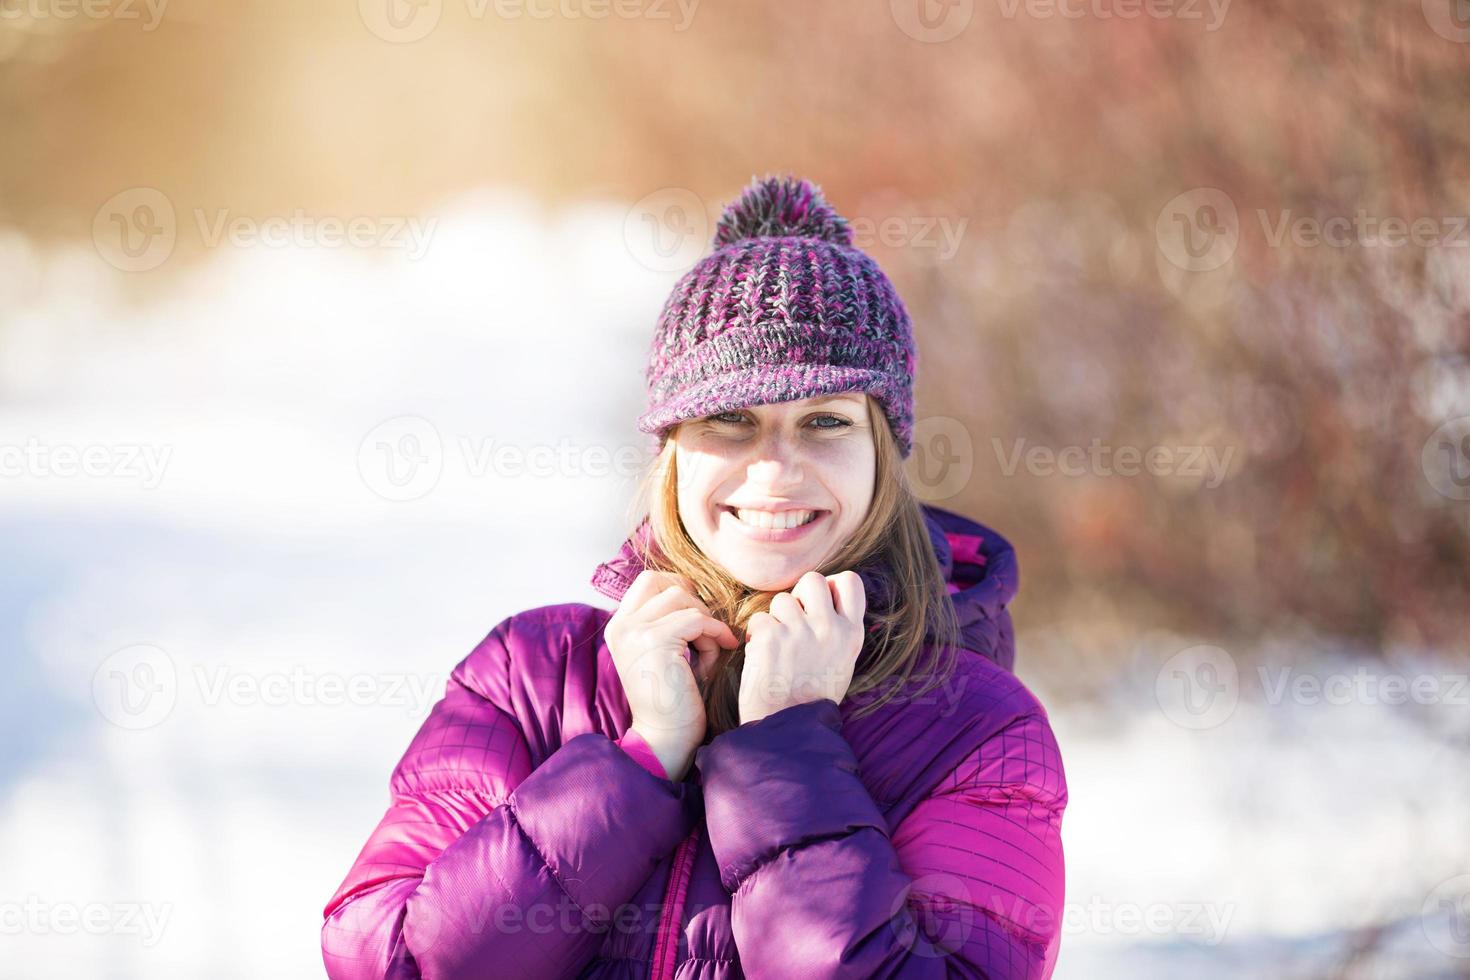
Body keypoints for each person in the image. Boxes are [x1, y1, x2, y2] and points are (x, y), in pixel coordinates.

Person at [321, 174, 1068, 979]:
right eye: (731, 421)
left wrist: (787, 759)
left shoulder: (975, 730)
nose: (777, 469)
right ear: (671, 449)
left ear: (883, 453)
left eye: (826, 422)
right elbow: (392, 962)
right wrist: (637, 765)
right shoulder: (531, 677)